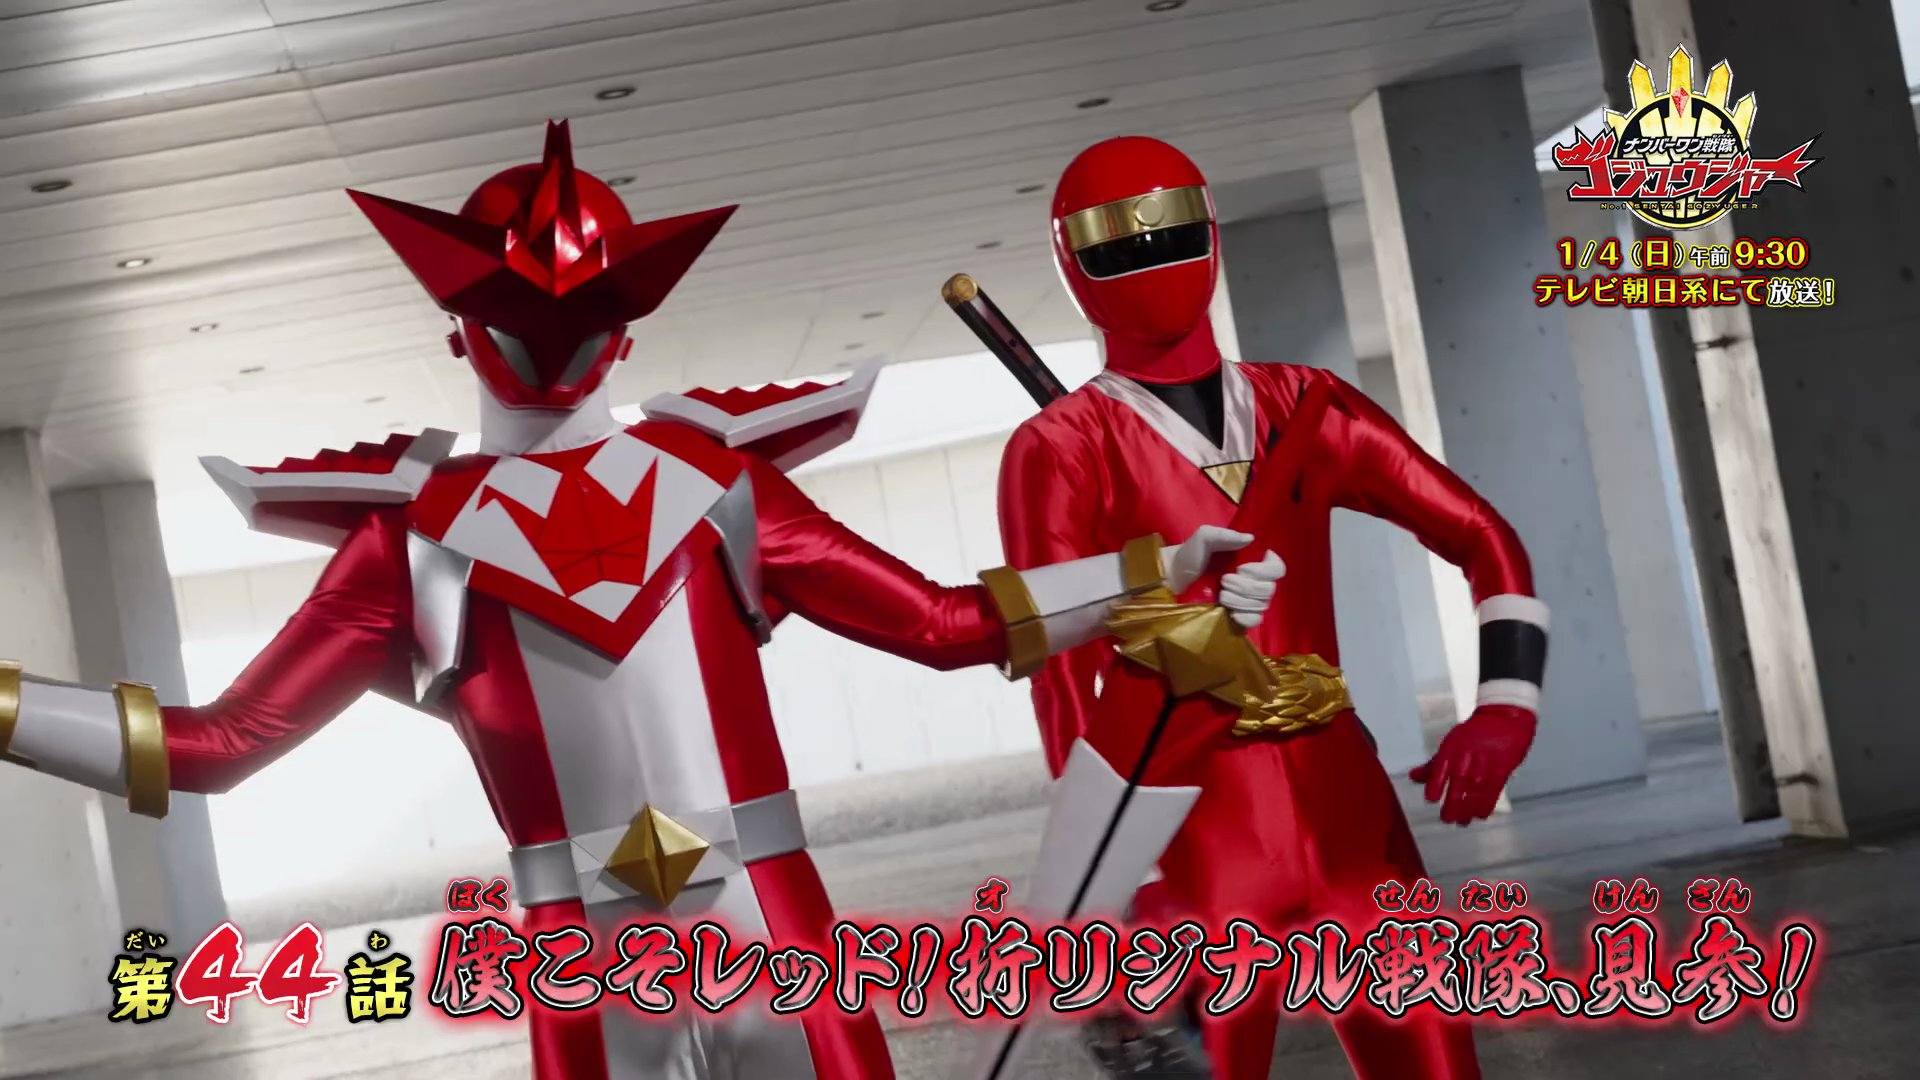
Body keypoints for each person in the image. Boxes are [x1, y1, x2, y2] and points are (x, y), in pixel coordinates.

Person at [0, 122, 1282, 1080]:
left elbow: (951, 627)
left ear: (621, 328)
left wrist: (1148, 575)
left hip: (753, 931)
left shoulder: (709, 489)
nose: (557, 340)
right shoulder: (420, 539)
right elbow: (215, 746)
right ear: (462, 329)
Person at [989, 135, 1551, 1080]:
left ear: (1210, 237)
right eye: (1121, 249)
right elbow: (1062, 674)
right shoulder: (1060, 448)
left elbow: (1481, 536)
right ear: (1076, 268)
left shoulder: (1308, 405)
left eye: (1169, 238)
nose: (1151, 263)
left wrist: (1507, 702)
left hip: (1347, 815)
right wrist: (1118, 873)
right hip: (1190, 835)